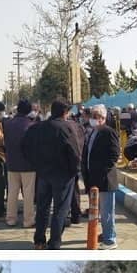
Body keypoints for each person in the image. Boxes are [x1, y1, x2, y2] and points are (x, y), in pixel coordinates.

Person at [22, 100, 82, 250]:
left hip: (43, 174)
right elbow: (75, 153)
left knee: (42, 207)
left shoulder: (37, 128)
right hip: (63, 175)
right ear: (65, 112)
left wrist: (35, 165)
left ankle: (39, 240)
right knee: (60, 209)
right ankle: (54, 242)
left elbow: (25, 147)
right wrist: (74, 171)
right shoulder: (67, 128)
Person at [82, 104, 121, 250]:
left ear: (103, 118)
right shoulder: (93, 132)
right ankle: (106, 234)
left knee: (107, 212)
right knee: (100, 211)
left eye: (95, 116)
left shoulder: (108, 132)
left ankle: (110, 240)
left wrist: (102, 171)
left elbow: (114, 154)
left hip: (105, 179)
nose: (92, 119)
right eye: (92, 116)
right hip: (95, 179)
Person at [4, 99, 37, 228]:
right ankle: (28, 221)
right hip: (28, 164)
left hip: (11, 163)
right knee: (28, 194)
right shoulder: (31, 125)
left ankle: (10, 219)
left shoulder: (8, 124)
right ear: (29, 111)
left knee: (12, 192)